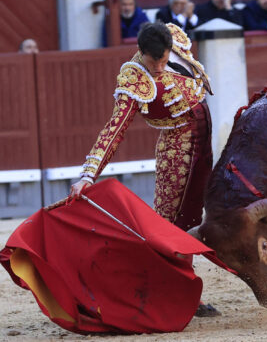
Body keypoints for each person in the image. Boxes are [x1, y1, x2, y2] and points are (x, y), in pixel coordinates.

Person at [70, 22, 218, 316]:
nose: (161, 67)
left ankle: (181, 288)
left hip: (203, 139)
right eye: (155, 62)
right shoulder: (134, 79)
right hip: (177, 149)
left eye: (164, 60)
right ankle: (158, 291)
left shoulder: (172, 38)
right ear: (142, 53)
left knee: (192, 216)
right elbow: (114, 130)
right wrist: (88, 175)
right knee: (167, 223)